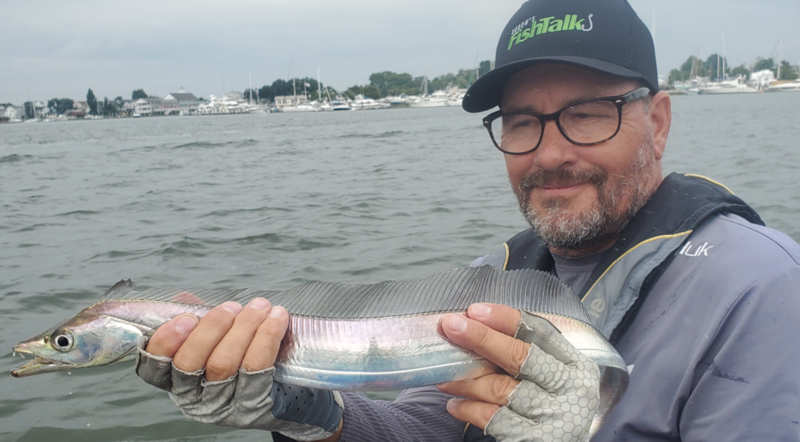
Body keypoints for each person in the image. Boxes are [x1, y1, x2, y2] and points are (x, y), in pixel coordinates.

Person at [135, 0, 800, 440]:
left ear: (657, 122)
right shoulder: (495, 276)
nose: (549, 153)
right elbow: (424, 430)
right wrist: (299, 406)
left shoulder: (758, 288)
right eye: (522, 122)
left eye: (587, 113)